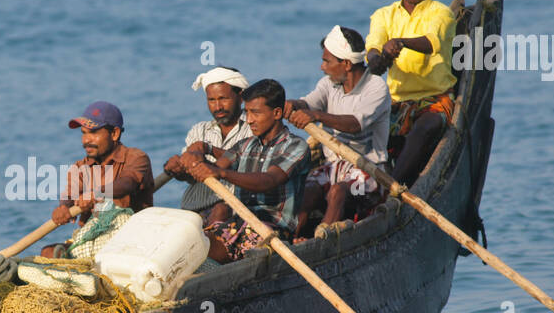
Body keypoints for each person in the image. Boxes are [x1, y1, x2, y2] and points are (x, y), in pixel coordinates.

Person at [182, 79, 310, 263]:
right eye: (247, 112)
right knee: (190, 239)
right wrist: (195, 157)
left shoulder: (296, 146)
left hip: (271, 232)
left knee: (202, 251)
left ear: (277, 113)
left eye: (255, 113)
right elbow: (219, 165)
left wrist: (220, 174)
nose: (249, 120)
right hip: (238, 223)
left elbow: (268, 181)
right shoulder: (245, 145)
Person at [286, 26, 391, 241]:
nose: (322, 67)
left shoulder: (376, 87)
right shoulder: (328, 84)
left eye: (327, 61)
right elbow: (307, 102)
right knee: (307, 190)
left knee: (337, 192)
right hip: (333, 166)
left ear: (346, 64)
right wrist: (291, 105)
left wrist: (316, 116)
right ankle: (290, 238)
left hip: (369, 170)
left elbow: (354, 125)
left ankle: (322, 239)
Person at [364, 0, 457, 185]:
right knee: (364, 134)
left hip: (434, 100)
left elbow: (430, 42)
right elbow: (373, 51)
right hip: (395, 103)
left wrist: (401, 43)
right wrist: (379, 58)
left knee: (425, 128)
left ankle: (391, 187)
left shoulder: (441, 13)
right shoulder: (383, 15)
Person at [42, 101, 155, 259]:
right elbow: (70, 193)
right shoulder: (80, 167)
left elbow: (127, 182)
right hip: (90, 241)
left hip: (131, 238)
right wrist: (63, 207)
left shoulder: (136, 158)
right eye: (83, 133)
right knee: (48, 253)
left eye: (93, 133)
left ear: (114, 134)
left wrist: (96, 194)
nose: (86, 140)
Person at [163, 66, 254, 217]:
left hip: (236, 212)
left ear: (241, 96)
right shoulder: (199, 130)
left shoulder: (253, 127)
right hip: (194, 211)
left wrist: (208, 151)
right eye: (211, 100)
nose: (218, 107)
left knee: (220, 210)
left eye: (223, 99)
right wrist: (178, 170)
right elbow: (189, 176)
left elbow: (252, 165)